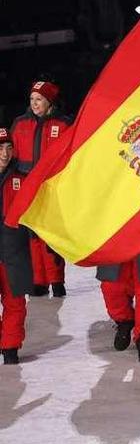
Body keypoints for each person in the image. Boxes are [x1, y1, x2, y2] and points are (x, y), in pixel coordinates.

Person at [9, 81, 72, 298]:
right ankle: (39, 281)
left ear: (49, 101)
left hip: (52, 188)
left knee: (50, 236)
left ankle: (56, 280)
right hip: (26, 187)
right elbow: (11, 156)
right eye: (32, 100)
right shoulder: (19, 124)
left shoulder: (64, 124)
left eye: (39, 99)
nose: (34, 104)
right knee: (31, 235)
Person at [0, 128, 33, 365]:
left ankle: (10, 348)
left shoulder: (21, 179)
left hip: (15, 253)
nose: (5, 153)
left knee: (15, 303)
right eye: (0, 148)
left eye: (9, 148)